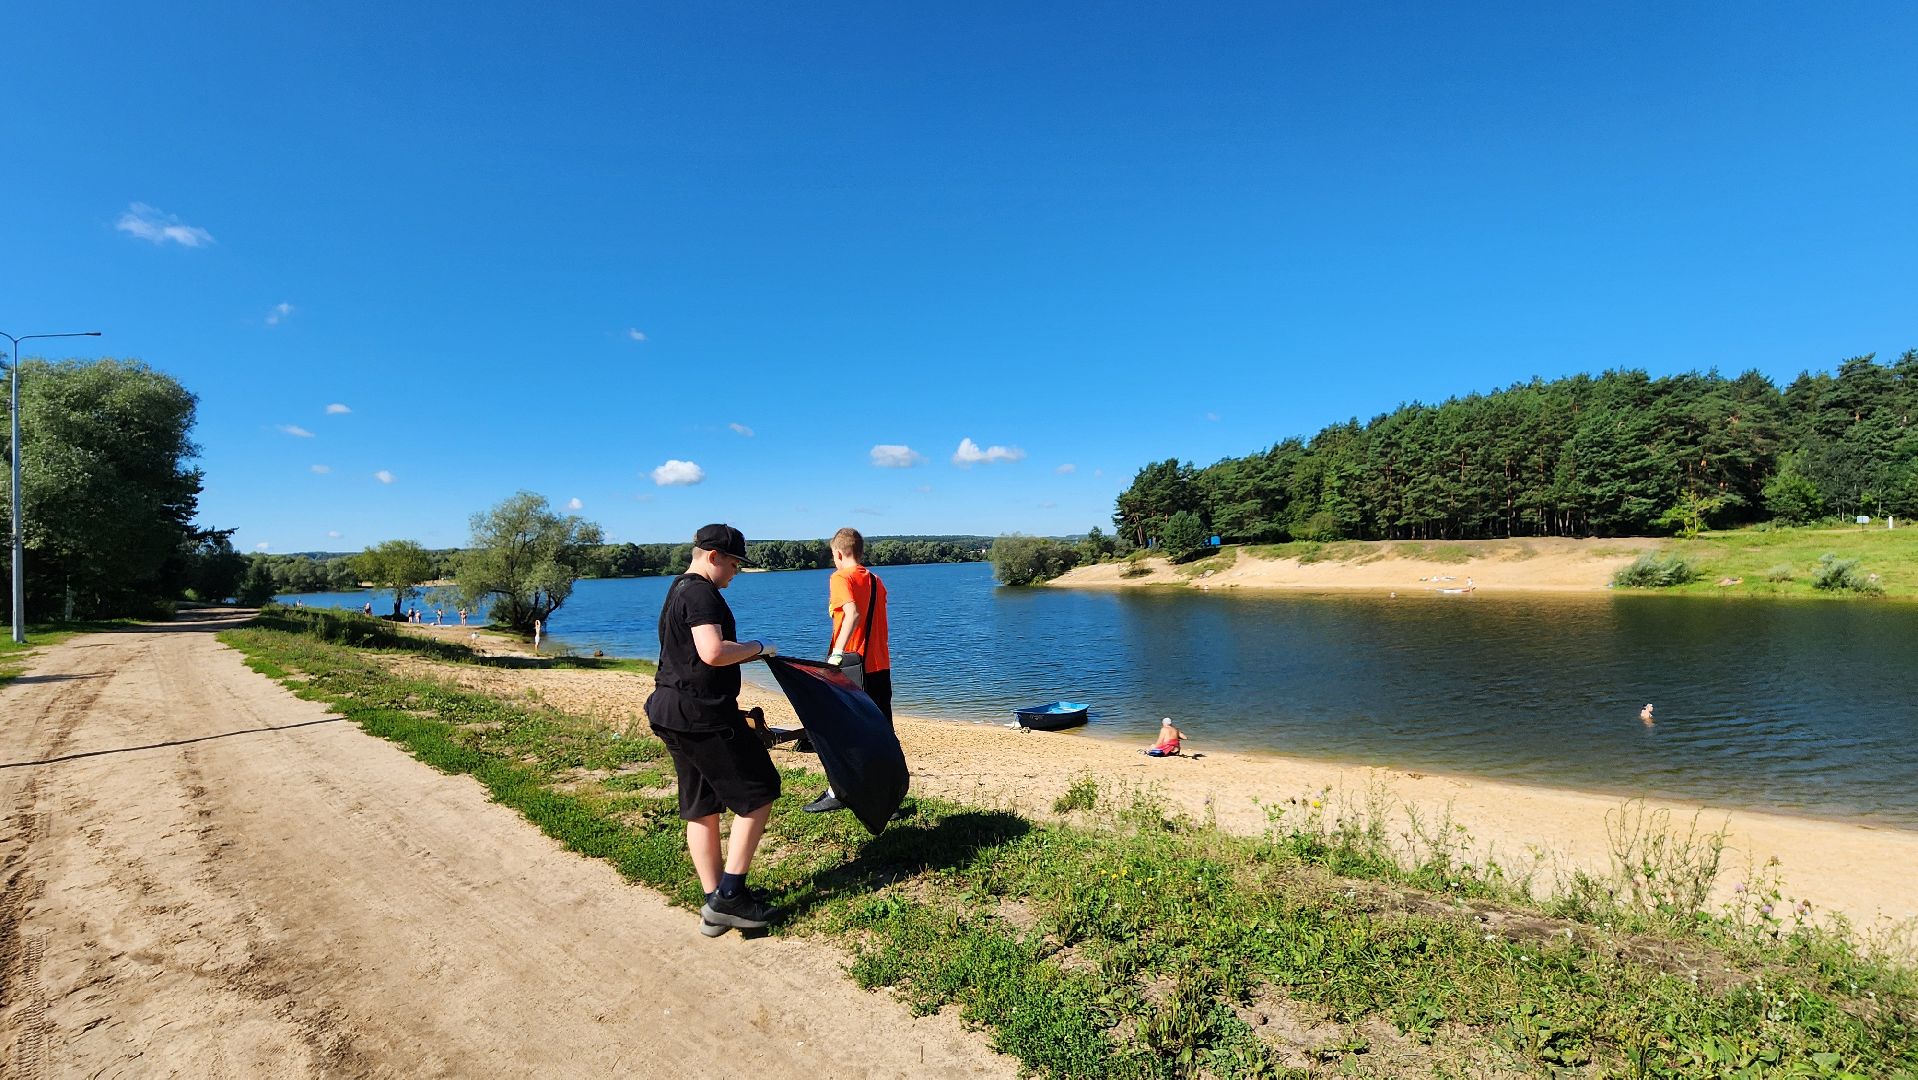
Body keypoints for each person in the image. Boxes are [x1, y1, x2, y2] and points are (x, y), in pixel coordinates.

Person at [645, 524, 783, 937]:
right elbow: (713, 652)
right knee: (759, 791)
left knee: (701, 805)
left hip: (670, 709)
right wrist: (759, 648)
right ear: (713, 556)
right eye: (735, 564)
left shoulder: (678, 589)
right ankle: (730, 895)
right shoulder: (702, 592)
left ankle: (715, 901)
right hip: (701, 716)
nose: (736, 572)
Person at [804, 527, 892, 815]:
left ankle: (838, 792)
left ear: (838, 553)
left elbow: (852, 613)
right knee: (880, 733)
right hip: (880, 668)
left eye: (833, 556)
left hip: (853, 668)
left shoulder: (840, 577)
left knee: (840, 731)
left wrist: (836, 654)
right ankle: (887, 799)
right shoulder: (877, 581)